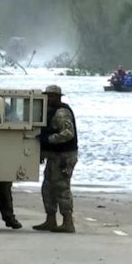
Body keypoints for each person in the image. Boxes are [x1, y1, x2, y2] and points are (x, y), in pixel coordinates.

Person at [33, 85, 78, 233]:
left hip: (63, 157)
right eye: (47, 96)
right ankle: (51, 219)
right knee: (48, 188)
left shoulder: (61, 113)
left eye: (51, 96)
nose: (48, 99)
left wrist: (49, 140)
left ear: (57, 97)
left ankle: (67, 221)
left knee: (61, 188)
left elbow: (68, 133)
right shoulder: (51, 111)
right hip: (55, 157)